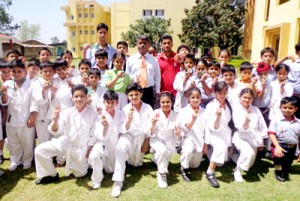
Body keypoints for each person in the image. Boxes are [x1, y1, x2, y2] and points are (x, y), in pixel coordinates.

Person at [35, 85, 98, 184]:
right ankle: (51, 175)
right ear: (72, 98)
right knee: (40, 150)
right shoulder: (67, 112)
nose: (79, 99)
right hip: (66, 143)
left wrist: (89, 150)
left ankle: (84, 165)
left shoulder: (93, 114)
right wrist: (55, 121)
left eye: (82, 96)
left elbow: (94, 134)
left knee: (80, 174)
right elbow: (55, 130)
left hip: (80, 148)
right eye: (76, 96)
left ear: (87, 97)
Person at [111, 82, 153, 198]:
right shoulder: (125, 109)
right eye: (131, 95)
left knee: (136, 164)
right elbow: (123, 129)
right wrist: (128, 120)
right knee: (120, 148)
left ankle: (129, 158)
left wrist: (147, 142)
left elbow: (150, 127)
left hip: (142, 137)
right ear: (127, 96)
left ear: (141, 94)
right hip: (128, 136)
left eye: (136, 94)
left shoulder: (148, 108)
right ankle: (118, 182)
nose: (134, 97)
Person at [0, 59, 37, 171]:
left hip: (25, 117)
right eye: (14, 71)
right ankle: (16, 160)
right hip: (12, 118)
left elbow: (34, 102)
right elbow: (4, 102)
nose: (16, 74)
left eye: (19, 71)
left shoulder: (31, 84)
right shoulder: (7, 84)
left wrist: (32, 117)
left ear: (24, 71)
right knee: (13, 140)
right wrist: (5, 94)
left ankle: (27, 160)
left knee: (27, 140)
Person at [88, 90, 126, 190]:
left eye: (112, 102)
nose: (109, 105)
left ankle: (117, 176)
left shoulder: (121, 114)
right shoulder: (100, 115)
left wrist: (129, 121)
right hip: (102, 143)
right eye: (107, 102)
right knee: (94, 155)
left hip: (115, 144)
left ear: (117, 102)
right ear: (104, 102)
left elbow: (123, 129)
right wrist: (105, 127)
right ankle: (96, 179)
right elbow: (99, 135)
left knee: (111, 169)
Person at [231, 88, 267, 182]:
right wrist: (246, 120)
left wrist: (262, 140)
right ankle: (237, 171)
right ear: (240, 97)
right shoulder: (237, 109)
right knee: (248, 153)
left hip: (253, 138)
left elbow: (261, 125)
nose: (247, 100)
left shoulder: (255, 109)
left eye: (249, 98)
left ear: (252, 99)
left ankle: (234, 156)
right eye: (244, 97)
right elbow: (240, 127)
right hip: (241, 137)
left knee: (249, 164)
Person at [205, 81, 235, 188]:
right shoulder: (210, 106)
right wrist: (217, 116)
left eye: (225, 93)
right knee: (221, 147)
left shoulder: (229, 103)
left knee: (222, 163)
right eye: (220, 93)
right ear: (215, 93)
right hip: (213, 133)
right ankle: (209, 172)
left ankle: (210, 154)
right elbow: (213, 127)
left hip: (225, 133)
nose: (222, 95)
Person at [148, 91, 180, 188]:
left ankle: (155, 158)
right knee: (162, 150)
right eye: (163, 102)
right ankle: (161, 174)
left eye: (168, 102)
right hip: (157, 139)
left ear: (172, 103)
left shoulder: (177, 115)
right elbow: (150, 133)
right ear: (159, 103)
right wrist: (153, 125)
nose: (165, 104)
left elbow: (178, 135)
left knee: (166, 154)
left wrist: (178, 134)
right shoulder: (155, 113)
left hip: (170, 141)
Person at [268, 97, 300, 182]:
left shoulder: (298, 123)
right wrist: (277, 146)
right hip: (279, 145)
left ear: (296, 109)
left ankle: (285, 170)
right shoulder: (276, 120)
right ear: (280, 107)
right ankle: (278, 172)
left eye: (290, 108)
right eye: (284, 107)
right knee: (278, 161)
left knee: (288, 161)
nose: (287, 110)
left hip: (292, 146)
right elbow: (271, 133)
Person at [178, 87, 206, 182]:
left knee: (195, 166)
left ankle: (186, 161)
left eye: (197, 97)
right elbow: (187, 128)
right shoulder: (184, 111)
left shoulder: (204, 111)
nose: (195, 100)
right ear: (188, 98)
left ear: (200, 98)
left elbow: (207, 129)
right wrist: (193, 120)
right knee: (188, 151)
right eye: (192, 97)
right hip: (188, 138)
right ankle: (183, 168)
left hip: (200, 139)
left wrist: (205, 145)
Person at [125, 35, 161, 107]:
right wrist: (134, 81)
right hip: (134, 90)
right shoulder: (130, 59)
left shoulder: (154, 60)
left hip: (148, 91)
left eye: (145, 43)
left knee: (148, 112)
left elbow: (157, 76)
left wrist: (157, 91)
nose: (142, 45)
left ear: (148, 45)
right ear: (136, 44)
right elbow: (127, 76)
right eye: (140, 43)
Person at [274, 42, 300, 118]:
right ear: (297, 52)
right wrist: (286, 57)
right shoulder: (292, 62)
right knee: (290, 117)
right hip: (292, 95)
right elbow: (275, 66)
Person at [33, 61, 56, 144]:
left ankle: (54, 156)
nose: (48, 73)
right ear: (40, 72)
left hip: (53, 115)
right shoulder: (37, 84)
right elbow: (38, 101)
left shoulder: (55, 81)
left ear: (54, 71)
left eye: (50, 71)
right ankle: (45, 156)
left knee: (54, 137)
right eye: (45, 71)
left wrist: (53, 92)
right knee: (44, 139)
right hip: (42, 115)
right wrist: (44, 90)